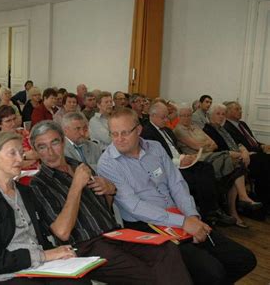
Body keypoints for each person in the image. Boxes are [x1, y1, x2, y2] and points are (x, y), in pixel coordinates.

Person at [97, 107, 257, 285]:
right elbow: (134, 206)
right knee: (212, 271)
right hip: (145, 225)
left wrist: (192, 216)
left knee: (244, 259)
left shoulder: (155, 148)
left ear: (139, 130)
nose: (119, 139)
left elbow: (177, 184)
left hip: (180, 215)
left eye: (125, 133)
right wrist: (183, 222)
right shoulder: (108, 163)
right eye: (114, 134)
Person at [28, 120, 192, 284]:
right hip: (86, 246)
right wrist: (76, 186)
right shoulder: (39, 183)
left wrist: (109, 190)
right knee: (148, 273)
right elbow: (62, 232)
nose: (50, 152)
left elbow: (104, 210)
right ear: (35, 151)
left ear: (63, 142)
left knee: (166, 248)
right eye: (42, 147)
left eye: (54, 142)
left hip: (115, 235)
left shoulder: (79, 166)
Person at [0, 131, 89, 285]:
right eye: (12, 153)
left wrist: (60, 254)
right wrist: (45, 255)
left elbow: (39, 236)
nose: (19, 159)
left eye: (21, 153)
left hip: (37, 267)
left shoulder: (25, 192)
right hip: (5, 273)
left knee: (79, 282)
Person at [141, 101, 236, 226]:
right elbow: (155, 159)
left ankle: (212, 210)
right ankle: (208, 212)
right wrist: (179, 161)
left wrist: (185, 157)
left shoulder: (167, 131)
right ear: (152, 116)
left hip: (179, 161)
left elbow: (175, 150)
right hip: (167, 168)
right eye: (163, 117)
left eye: (167, 116)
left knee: (206, 167)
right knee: (196, 177)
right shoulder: (147, 133)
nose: (166, 119)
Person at [173, 105, 258, 227]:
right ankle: (240, 201)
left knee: (237, 167)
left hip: (210, 155)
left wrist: (205, 145)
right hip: (197, 158)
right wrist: (205, 145)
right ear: (178, 117)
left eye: (189, 115)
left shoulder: (195, 126)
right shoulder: (178, 130)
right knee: (233, 161)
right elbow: (198, 146)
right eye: (183, 116)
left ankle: (238, 203)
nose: (186, 118)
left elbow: (214, 144)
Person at [203, 104, 267, 213]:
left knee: (259, 161)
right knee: (244, 165)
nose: (221, 116)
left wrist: (244, 151)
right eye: (218, 114)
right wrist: (241, 154)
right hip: (222, 160)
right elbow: (218, 151)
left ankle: (245, 204)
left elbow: (238, 143)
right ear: (210, 115)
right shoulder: (207, 129)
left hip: (236, 157)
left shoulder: (222, 129)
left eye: (223, 114)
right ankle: (240, 205)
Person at [0, 105, 39, 172]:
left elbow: (39, 153)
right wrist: (25, 156)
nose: (13, 123)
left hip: (36, 172)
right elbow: (8, 165)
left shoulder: (24, 133)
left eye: (14, 119)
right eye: (8, 121)